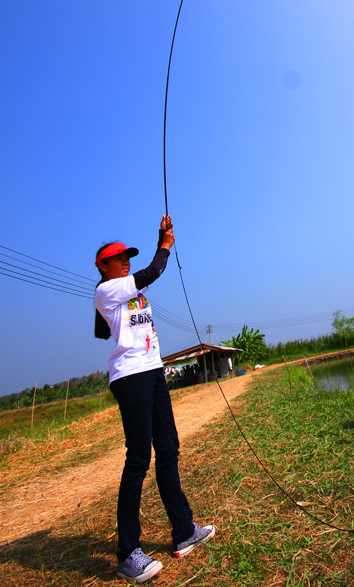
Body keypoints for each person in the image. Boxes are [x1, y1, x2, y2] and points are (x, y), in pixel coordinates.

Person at [94, 215, 214, 584]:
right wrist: (164, 249)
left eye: (127, 256)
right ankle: (128, 552)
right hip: (130, 378)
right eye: (118, 259)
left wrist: (161, 235)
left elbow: (140, 278)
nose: (125, 261)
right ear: (103, 267)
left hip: (153, 370)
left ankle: (183, 530)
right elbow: (150, 274)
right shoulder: (105, 291)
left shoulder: (125, 289)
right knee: (138, 459)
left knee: (169, 447)